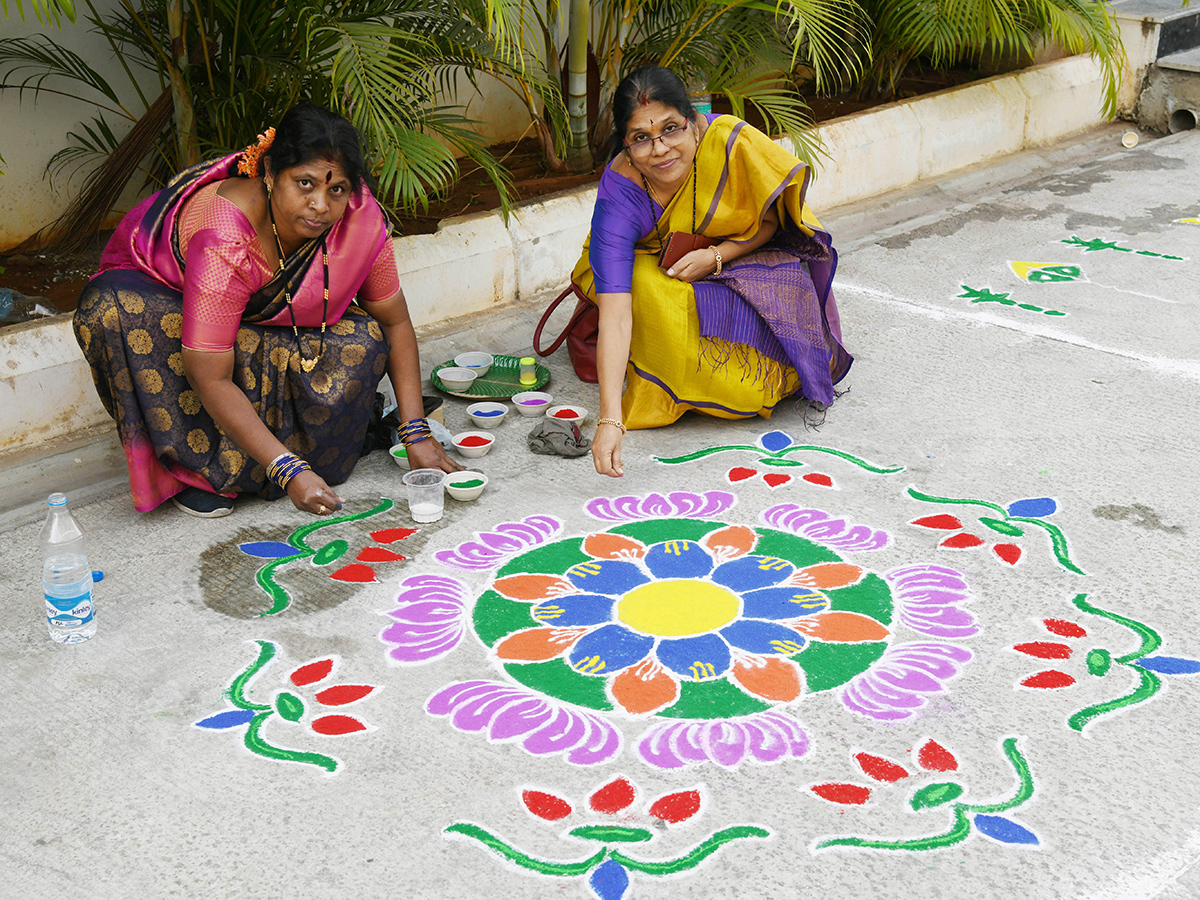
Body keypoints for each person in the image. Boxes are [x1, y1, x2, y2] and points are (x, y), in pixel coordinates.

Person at [74, 104, 459, 518]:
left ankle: (287, 453)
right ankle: (198, 472)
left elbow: (395, 322)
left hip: (265, 328)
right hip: (178, 321)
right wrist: (289, 470)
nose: (319, 205)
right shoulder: (226, 236)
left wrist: (415, 431)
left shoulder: (361, 221)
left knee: (365, 339)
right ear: (271, 174)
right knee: (115, 311)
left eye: (337, 189)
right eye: (305, 184)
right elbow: (210, 374)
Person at [569, 65, 852, 478]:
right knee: (646, 287)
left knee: (784, 295)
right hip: (658, 268)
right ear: (626, 148)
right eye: (641, 139)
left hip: (740, 253)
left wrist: (716, 256)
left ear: (695, 125)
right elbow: (615, 310)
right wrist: (610, 419)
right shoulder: (621, 193)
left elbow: (770, 225)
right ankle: (675, 381)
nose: (661, 149)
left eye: (671, 129)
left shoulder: (731, 143)